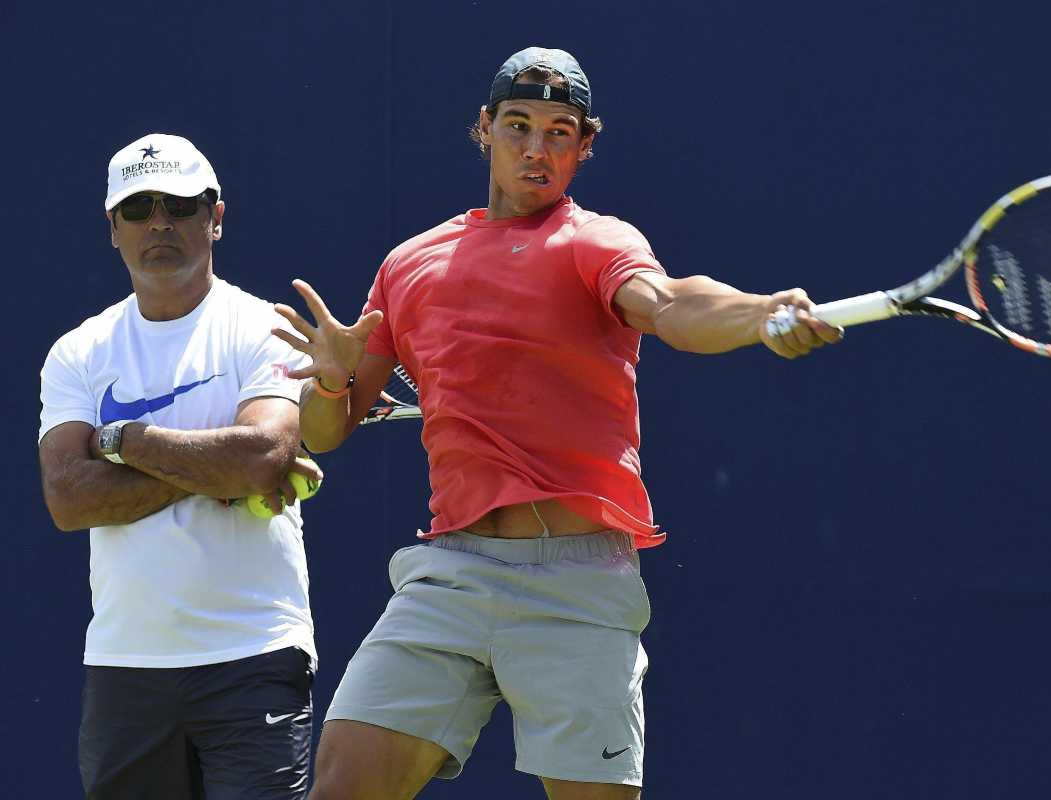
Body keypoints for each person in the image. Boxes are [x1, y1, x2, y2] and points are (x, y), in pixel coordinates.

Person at [274, 47, 840, 800]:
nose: (536, 150)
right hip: (451, 572)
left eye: (559, 132)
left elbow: (672, 305)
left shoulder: (597, 243)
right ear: (484, 129)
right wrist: (333, 377)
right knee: (342, 788)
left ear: (584, 146)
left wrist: (760, 313)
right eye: (518, 126)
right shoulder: (408, 265)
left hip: (578, 580)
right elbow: (325, 430)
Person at [38, 133, 322, 799]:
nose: (160, 223)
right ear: (114, 229)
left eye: (181, 205)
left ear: (215, 217)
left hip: (255, 656)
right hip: (125, 668)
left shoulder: (265, 328)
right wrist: (211, 464)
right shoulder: (78, 352)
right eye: (139, 209)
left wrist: (124, 441)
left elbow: (261, 458)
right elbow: (69, 500)